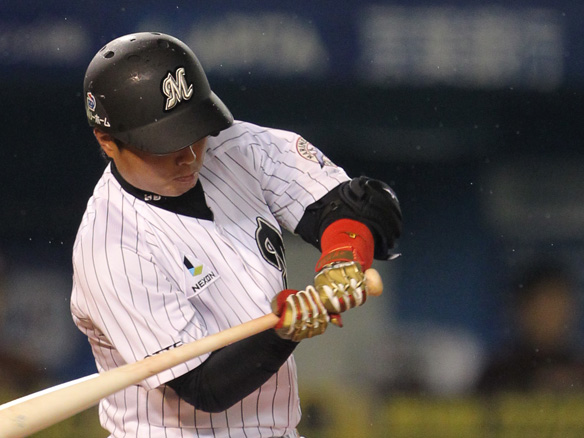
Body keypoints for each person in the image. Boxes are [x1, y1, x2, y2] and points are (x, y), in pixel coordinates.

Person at [70, 32, 402, 438]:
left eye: (193, 130)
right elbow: (204, 388)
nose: (189, 155)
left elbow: (360, 203)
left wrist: (343, 254)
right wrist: (285, 331)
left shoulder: (235, 148)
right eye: (165, 143)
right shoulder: (111, 247)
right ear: (107, 141)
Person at [476, 259, 584, 393]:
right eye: (543, 306)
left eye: (558, 305)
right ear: (523, 309)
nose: (551, 315)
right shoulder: (500, 372)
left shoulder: (579, 370)